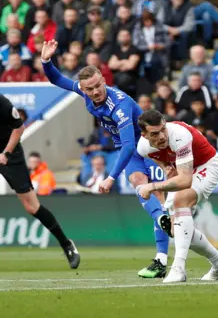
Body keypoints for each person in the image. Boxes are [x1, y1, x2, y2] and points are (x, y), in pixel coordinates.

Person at [39, 40, 170, 279]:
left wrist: (110, 177)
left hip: (152, 147)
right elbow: (57, 80)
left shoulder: (119, 105)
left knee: (160, 198)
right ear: (85, 89)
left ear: (104, 80)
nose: (96, 91)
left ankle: (166, 251)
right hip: (131, 149)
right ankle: (162, 234)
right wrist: (46, 61)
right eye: (90, 89)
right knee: (143, 190)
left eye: (98, 85)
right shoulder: (84, 90)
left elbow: (130, 144)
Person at [135, 110, 218, 283]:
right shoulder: (143, 147)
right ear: (144, 135)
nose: (161, 136)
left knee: (181, 201)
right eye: (154, 134)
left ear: (165, 123)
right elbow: (155, 155)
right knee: (176, 230)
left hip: (208, 165)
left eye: (163, 129)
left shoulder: (179, 135)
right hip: (185, 169)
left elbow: (185, 180)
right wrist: (165, 166)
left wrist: (152, 186)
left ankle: (178, 269)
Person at [0, 94, 80, 268]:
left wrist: (6, 153)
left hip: (9, 154)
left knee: (31, 206)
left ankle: (66, 244)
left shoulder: (2, 103)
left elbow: (18, 128)